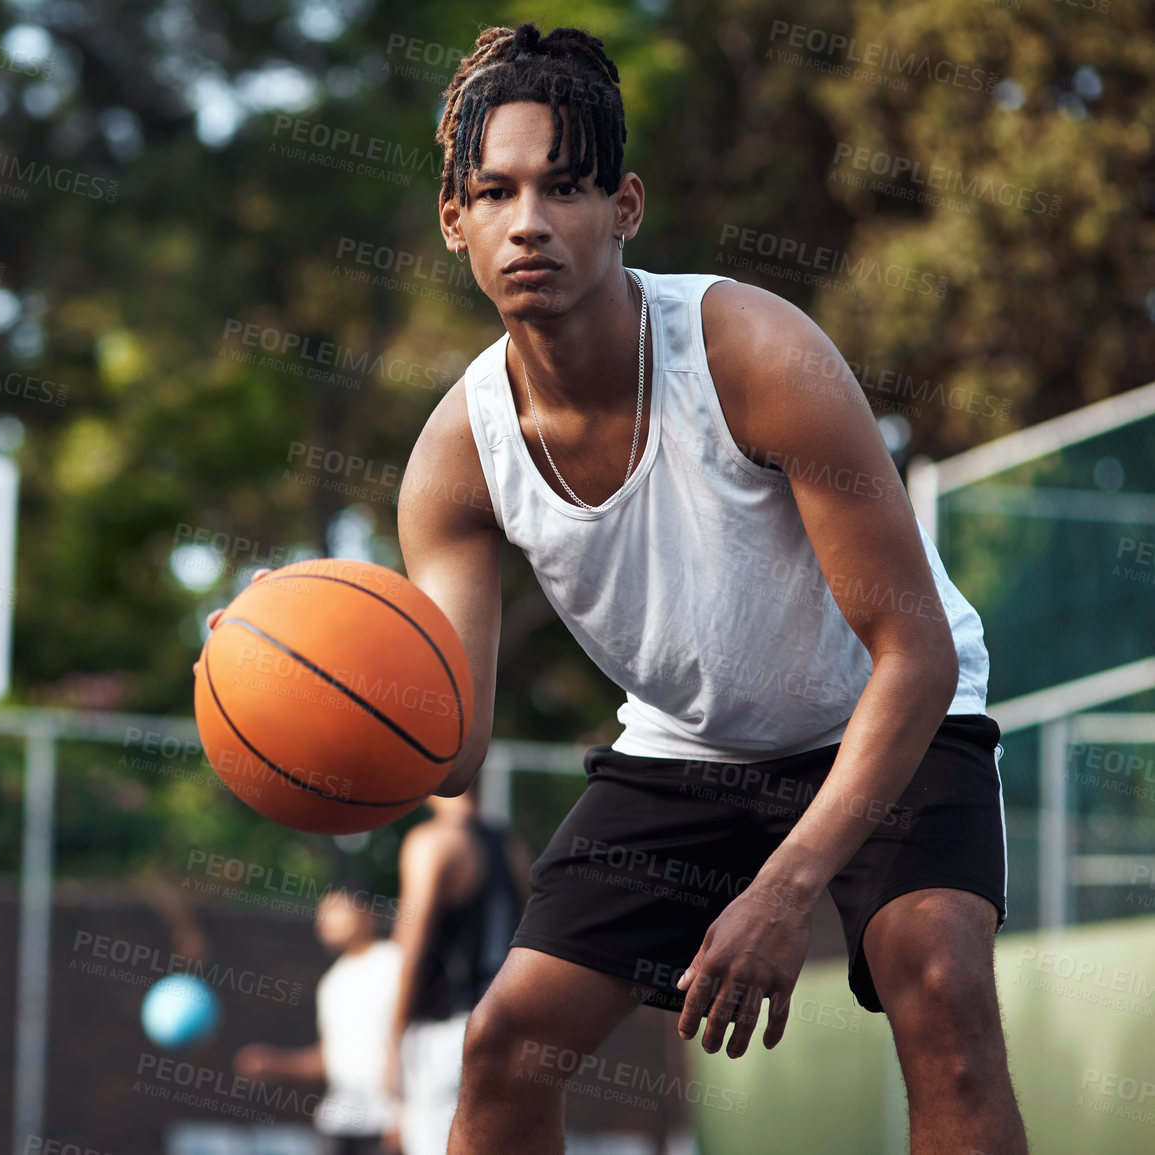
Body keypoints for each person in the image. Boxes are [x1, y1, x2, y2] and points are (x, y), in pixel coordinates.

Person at [381, 20, 1025, 1155]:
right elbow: (456, 753)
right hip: (691, 744)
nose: (530, 221)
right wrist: (322, 677)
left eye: (566, 187)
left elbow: (912, 655)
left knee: (945, 1001)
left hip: (886, 709)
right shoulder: (456, 458)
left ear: (624, 208)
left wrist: (781, 892)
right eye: (496, 192)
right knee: (502, 1050)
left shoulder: (753, 356)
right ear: (456, 222)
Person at [387, 791, 526, 1155]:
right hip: (503, 1028)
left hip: (445, 1035)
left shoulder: (432, 840)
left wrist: (392, 1042)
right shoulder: (511, 847)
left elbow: (410, 949)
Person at [233, 888, 402, 1155]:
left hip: (388, 1124)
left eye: (336, 909)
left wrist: (403, 1113)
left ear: (367, 912)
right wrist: (275, 1063)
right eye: (322, 912)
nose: (324, 919)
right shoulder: (331, 983)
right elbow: (327, 1060)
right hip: (337, 1126)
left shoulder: (398, 963)